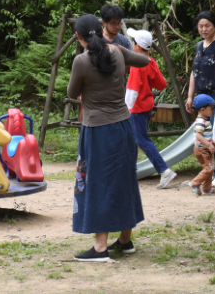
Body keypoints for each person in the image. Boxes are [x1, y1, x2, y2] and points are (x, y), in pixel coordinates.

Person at [68, 14, 149, 262]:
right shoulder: (118, 51)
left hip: (98, 130)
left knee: (97, 183)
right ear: (101, 29)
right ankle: (124, 241)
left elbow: (72, 93)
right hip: (124, 127)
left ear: (80, 37)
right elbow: (144, 61)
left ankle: (101, 248)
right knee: (124, 179)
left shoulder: (81, 61)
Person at [185, 11, 215, 190]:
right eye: (201, 26)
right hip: (201, 97)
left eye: (207, 25)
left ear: (214, 25)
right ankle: (210, 173)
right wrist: (190, 97)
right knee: (205, 134)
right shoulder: (199, 46)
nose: (204, 29)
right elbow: (194, 72)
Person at [124, 28, 176, 189]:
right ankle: (128, 173)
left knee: (141, 140)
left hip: (136, 109)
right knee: (132, 140)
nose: (131, 44)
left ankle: (164, 170)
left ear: (138, 46)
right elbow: (162, 84)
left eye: (133, 42)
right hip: (146, 106)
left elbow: (132, 91)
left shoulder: (137, 66)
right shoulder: (150, 62)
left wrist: (125, 110)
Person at [188, 94, 215, 196]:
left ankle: (207, 189)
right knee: (209, 169)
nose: (213, 109)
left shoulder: (205, 120)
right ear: (202, 109)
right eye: (211, 107)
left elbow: (206, 135)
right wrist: (208, 145)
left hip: (204, 148)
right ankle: (195, 183)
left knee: (210, 168)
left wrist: (212, 142)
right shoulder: (201, 121)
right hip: (202, 150)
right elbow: (198, 135)